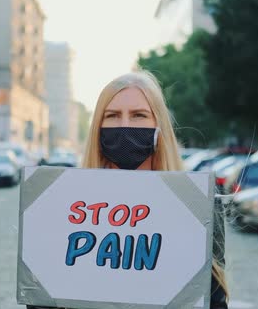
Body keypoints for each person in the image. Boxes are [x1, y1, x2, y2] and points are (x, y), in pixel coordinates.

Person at [28, 71, 228, 309]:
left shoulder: (198, 203)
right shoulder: (62, 200)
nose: (124, 125)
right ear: (98, 128)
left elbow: (214, 300)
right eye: (112, 116)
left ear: (158, 125)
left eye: (138, 115)